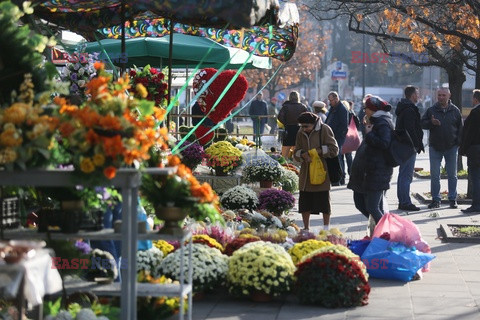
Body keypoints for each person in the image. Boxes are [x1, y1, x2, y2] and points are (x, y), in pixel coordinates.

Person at [347, 96, 394, 225]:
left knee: (373, 207)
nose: (364, 110)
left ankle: (386, 232)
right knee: (361, 203)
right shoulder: (375, 121)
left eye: (366, 108)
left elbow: (384, 143)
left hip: (377, 171)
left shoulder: (383, 122)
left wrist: (369, 133)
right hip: (366, 171)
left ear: (372, 109)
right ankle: (379, 229)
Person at [293, 112, 339, 231]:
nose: (304, 129)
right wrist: (303, 155)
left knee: (323, 202)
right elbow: (296, 152)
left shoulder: (324, 129)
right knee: (305, 203)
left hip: (321, 171)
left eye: (306, 126)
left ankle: (326, 227)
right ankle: (306, 227)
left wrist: (316, 152)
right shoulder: (300, 132)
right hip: (306, 173)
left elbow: (334, 149)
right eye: (302, 126)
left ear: (314, 124)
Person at [421, 88, 463, 209]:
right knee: (435, 175)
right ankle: (436, 199)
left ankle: (452, 199)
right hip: (435, 147)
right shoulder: (431, 110)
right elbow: (422, 123)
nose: (441, 97)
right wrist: (431, 123)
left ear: (449, 95)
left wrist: (458, 143)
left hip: (451, 147)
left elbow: (461, 128)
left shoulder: (455, 111)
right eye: (439, 95)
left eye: (443, 95)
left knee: (452, 175)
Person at [395, 86, 424, 211]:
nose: (418, 96)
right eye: (417, 93)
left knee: (403, 175)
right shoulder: (410, 110)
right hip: (409, 147)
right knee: (406, 175)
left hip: (403, 146)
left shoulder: (404, 108)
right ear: (412, 95)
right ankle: (405, 202)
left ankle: (403, 201)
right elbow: (411, 129)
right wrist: (417, 144)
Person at [459, 89, 480, 213]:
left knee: (476, 178)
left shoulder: (475, 112)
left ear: (476, 99)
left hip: (475, 150)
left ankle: (476, 205)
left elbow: (469, 133)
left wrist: (463, 149)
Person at [325, 91, 349, 185]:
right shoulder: (333, 108)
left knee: (338, 156)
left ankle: (340, 178)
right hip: (332, 136)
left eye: (331, 100)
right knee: (336, 157)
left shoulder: (342, 109)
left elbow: (344, 126)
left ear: (336, 99)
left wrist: (336, 135)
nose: (329, 102)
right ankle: (337, 178)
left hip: (337, 137)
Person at [278, 91, 308, 159]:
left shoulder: (285, 106)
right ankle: (297, 167)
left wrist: (285, 123)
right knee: (297, 149)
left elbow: (280, 117)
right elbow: (307, 117)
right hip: (299, 129)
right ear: (298, 97)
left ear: (290, 97)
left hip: (288, 129)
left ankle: (284, 166)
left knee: (285, 152)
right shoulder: (302, 106)